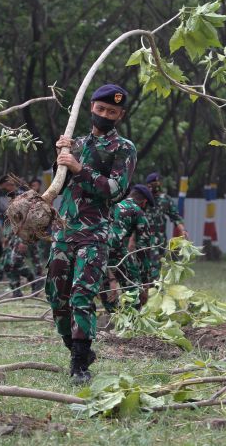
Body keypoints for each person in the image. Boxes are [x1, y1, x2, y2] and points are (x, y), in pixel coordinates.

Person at [47, 84, 136, 384]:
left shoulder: (123, 148)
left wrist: (79, 167)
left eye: (112, 112)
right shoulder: (76, 143)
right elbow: (60, 182)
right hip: (64, 230)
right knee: (55, 294)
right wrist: (60, 155)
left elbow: (115, 190)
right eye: (101, 109)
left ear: (120, 115)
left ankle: (79, 365)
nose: (105, 115)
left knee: (82, 295)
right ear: (91, 109)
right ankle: (76, 347)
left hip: (95, 232)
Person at [102, 184, 156, 312]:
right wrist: (145, 285)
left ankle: (113, 316)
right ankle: (132, 320)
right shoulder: (137, 211)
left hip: (93, 247)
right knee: (133, 287)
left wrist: (110, 277)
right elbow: (143, 251)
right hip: (112, 248)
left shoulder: (114, 205)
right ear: (144, 202)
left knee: (106, 289)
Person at [145, 172, 188, 276]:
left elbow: (176, 217)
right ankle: (154, 286)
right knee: (152, 265)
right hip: (145, 238)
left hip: (160, 239)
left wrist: (183, 231)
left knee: (159, 265)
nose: (157, 184)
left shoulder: (166, 199)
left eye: (158, 182)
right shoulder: (143, 198)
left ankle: (155, 287)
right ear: (148, 184)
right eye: (154, 182)